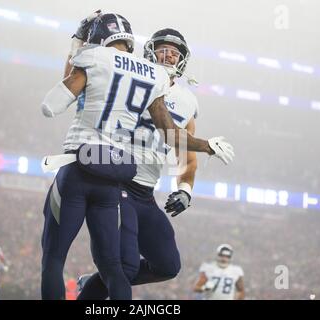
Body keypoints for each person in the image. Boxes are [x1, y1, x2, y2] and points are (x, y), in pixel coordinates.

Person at [40, 12, 225, 300]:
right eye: (162, 49)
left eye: (174, 53)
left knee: (167, 265)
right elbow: (78, 83)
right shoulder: (135, 73)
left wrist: (185, 189)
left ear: (183, 59)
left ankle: (99, 281)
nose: (168, 56)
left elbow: (184, 151)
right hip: (117, 180)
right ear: (149, 50)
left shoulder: (188, 101)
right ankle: (98, 289)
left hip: (144, 190)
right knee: (121, 266)